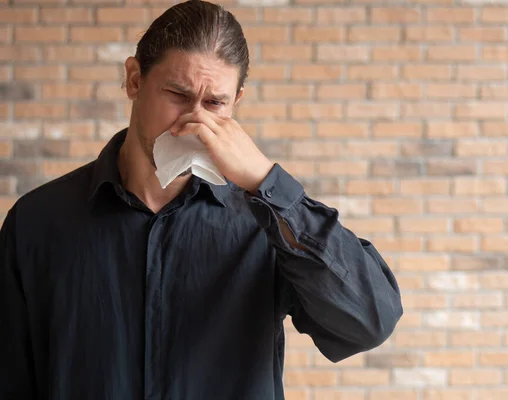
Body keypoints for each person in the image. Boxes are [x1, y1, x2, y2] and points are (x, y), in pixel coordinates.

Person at [0, 1, 403, 399]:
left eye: (215, 104)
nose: (194, 122)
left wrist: (267, 182)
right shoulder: (38, 222)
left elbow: (370, 321)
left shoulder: (268, 222)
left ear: (237, 101)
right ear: (134, 79)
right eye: (177, 94)